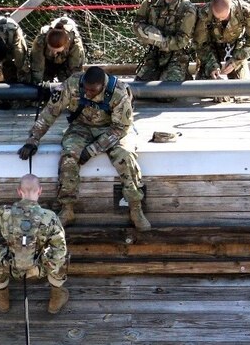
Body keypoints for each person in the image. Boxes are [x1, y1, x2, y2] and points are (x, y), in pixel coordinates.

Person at [17, 66, 151, 231]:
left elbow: (120, 128)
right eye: (85, 89)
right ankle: (67, 208)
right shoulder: (72, 84)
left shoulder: (119, 92)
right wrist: (33, 139)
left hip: (112, 129)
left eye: (92, 91)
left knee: (125, 156)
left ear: (102, 86)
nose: (87, 93)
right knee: (69, 156)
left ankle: (135, 208)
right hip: (81, 127)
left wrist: (93, 150)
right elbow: (50, 112)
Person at [0, 174, 69, 314]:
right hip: (40, 269)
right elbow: (59, 250)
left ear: (19, 191)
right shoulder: (50, 217)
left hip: (12, 267)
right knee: (61, 255)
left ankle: (3, 299)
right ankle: (55, 301)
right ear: (40, 191)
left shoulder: (3, 212)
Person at [132, 0, 197, 83]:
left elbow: (182, 41)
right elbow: (137, 24)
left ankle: (182, 74)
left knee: (166, 94)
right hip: (154, 55)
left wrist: (159, 40)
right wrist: (147, 31)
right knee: (139, 88)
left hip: (176, 57)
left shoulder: (187, 9)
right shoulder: (151, 2)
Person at [194, 0, 250, 81]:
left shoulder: (245, 11)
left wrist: (235, 61)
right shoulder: (205, 13)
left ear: (230, 8)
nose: (219, 20)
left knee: (241, 88)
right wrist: (212, 66)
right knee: (204, 88)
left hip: (236, 47)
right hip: (211, 49)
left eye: (223, 17)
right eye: (216, 17)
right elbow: (199, 43)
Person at [27, 15, 86, 85]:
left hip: (66, 64)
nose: (54, 52)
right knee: (43, 84)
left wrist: (73, 85)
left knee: (69, 83)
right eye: (51, 49)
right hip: (47, 63)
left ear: (65, 45)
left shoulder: (75, 43)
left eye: (57, 51)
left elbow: (75, 69)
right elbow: (37, 65)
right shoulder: (41, 39)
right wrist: (38, 84)